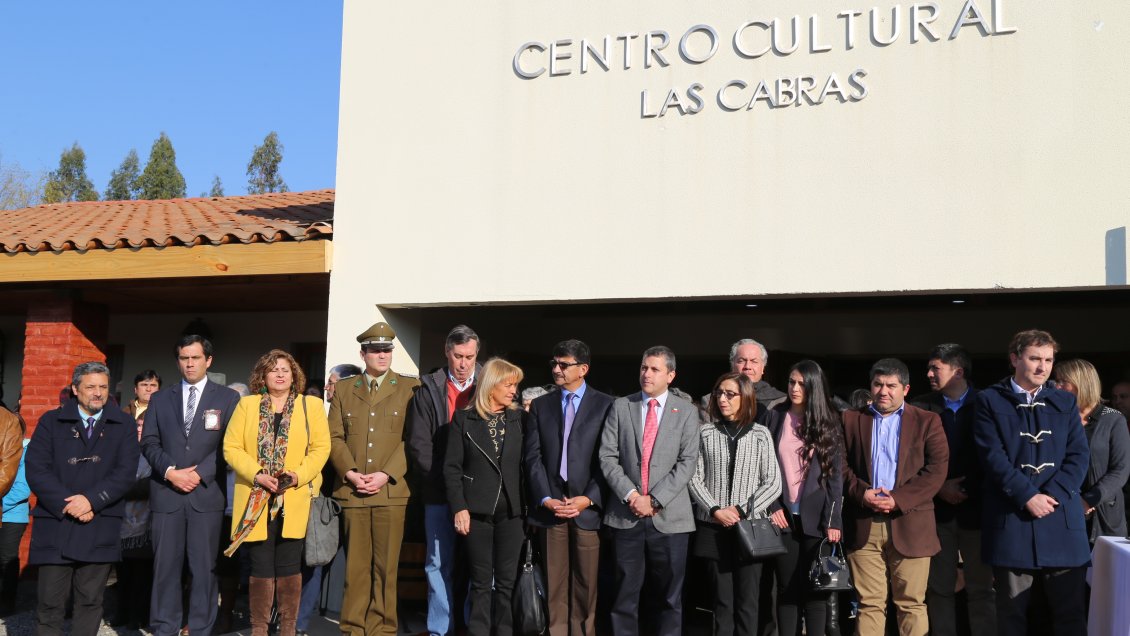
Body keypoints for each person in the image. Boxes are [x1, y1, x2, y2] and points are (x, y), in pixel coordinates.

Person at [973, 330, 1090, 636]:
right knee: (1011, 615)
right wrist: (1027, 496)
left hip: (1061, 518)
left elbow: (1078, 457)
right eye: (1035, 358)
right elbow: (992, 456)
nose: (1043, 367)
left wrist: (1050, 495)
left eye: (1049, 360)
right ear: (1015, 358)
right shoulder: (988, 400)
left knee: (1070, 614)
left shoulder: (1065, 402)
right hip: (1013, 520)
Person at [26, 361, 141, 636]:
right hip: (57, 522)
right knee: (49, 604)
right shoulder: (50, 421)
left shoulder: (123, 423)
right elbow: (37, 469)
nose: (98, 393)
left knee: (90, 602)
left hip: (99, 522)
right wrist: (71, 504)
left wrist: (91, 501)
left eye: (103, 387)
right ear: (76, 389)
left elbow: (126, 472)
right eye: (90, 387)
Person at [224, 349, 331, 636]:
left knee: (289, 567)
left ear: (294, 374)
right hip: (256, 498)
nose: (280, 374)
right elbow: (231, 447)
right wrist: (257, 474)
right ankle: (259, 628)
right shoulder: (247, 405)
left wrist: (298, 476)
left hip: (294, 498)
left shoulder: (311, 405)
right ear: (263, 376)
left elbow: (321, 449)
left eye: (285, 369)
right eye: (273, 370)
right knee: (259, 567)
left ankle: (287, 629)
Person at [141, 334, 241, 636]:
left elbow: (230, 445)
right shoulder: (160, 398)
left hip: (206, 496)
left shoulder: (227, 398)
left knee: (204, 570)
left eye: (195, 357)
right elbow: (149, 442)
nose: (189, 363)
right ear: (178, 361)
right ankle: (164, 628)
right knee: (165, 569)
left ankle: (200, 629)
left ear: (208, 360)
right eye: (184, 358)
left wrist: (199, 474)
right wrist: (171, 472)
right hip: (167, 494)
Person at [841, 358, 948, 636]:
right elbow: (839, 467)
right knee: (869, 604)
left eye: (891, 385)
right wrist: (862, 493)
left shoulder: (928, 421)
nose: (883, 391)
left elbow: (936, 470)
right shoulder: (851, 419)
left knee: (911, 604)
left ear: (906, 388)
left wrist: (899, 499)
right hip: (864, 523)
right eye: (878, 384)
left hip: (911, 522)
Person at [599, 345, 701, 636]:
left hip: (669, 520)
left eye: (655, 369)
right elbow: (607, 457)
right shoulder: (622, 406)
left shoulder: (687, 412)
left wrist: (654, 499)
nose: (647, 374)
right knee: (624, 596)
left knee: (669, 598)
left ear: (670, 375)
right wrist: (632, 496)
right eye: (644, 367)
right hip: (626, 516)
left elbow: (687, 462)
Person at [328, 322, 421, 636]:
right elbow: (334, 437)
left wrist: (385, 474)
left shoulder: (411, 388)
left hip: (390, 491)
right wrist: (351, 473)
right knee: (355, 568)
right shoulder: (344, 388)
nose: (382, 355)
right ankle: (353, 628)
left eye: (387, 350)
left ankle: (382, 628)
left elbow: (414, 439)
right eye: (376, 350)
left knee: (385, 568)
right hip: (353, 491)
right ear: (363, 353)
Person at [523, 340, 615, 636]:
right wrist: (546, 498)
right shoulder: (541, 405)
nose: (557, 369)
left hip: (586, 509)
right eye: (554, 363)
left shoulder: (606, 405)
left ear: (583, 369)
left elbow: (608, 459)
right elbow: (532, 457)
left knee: (586, 584)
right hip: (552, 509)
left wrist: (588, 499)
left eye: (564, 364)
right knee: (555, 583)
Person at [688, 372, 781, 636]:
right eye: (719, 393)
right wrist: (716, 510)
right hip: (713, 527)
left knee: (748, 602)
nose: (722, 399)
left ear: (746, 398)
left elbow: (773, 482)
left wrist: (740, 510)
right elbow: (694, 478)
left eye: (730, 394)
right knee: (721, 601)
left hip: (749, 529)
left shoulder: (761, 434)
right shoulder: (705, 433)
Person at [912, 344, 995, 636]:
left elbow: (995, 456)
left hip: (979, 511)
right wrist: (939, 487)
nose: (929, 373)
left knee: (982, 589)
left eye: (936, 367)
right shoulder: (920, 407)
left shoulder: (988, 402)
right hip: (936, 512)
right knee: (939, 588)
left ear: (958, 371)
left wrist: (967, 487)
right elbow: (912, 460)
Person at [405, 324, 481, 636]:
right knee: (438, 564)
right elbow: (418, 445)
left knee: (478, 566)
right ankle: (441, 629)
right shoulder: (428, 391)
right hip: (438, 493)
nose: (464, 363)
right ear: (447, 353)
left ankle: (470, 626)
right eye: (458, 356)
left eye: (470, 357)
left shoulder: (488, 388)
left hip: (478, 493)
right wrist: (448, 484)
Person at [444, 357, 527, 636]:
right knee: (480, 584)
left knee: (506, 584)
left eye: (515, 384)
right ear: (491, 385)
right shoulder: (463, 419)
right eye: (508, 384)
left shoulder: (520, 419)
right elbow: (452, 468)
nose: (513, 390)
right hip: (476, 512)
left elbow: (528, 465)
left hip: (512, 514)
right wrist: (459, 507)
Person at [764, 360, 844, 636]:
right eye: (791, 382)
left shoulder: (829, 421)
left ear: (814, 386)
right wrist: (773, 505)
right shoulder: (775, 416)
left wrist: (833, 521)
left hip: (817, 518)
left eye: (802, 383)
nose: (795, 388)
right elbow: (765, 468)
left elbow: (835, 478)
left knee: (816, 589)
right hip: (783, 515)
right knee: (786, 588)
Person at [295, 363, 360, 636]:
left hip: (356, 497)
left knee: (358, 566)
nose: (326, 387)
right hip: (322, 503)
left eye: (331, 382)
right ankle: (297, 625)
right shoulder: (317, 415)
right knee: (314, 562)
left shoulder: (362, 417)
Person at [1053, 359, 1129, 544]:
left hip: (1103, 513)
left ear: (1081, 383)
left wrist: (1088, 500)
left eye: (1063, 381)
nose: (1057, 386)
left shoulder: (1112, 419)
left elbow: (1120, 469)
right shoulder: (1055, 418)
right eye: (1057, 381)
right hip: (1062, 509)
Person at [113, 405, 156, 630]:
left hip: (147, 524)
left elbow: (151, 485)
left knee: (143, 574)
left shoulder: (156, 454)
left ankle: (139, 616)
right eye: (137, 425)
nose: (140, 430)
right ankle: (122, 611)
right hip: (122, 523)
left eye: (144, 427)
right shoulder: (124, 453)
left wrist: (123, 488)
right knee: (123, 572)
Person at [0, 411, 28, 617]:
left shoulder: (26, 452)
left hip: (13, 514)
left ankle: (8, 600)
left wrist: (2, 504)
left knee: (7, 557)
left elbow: (22, 488)